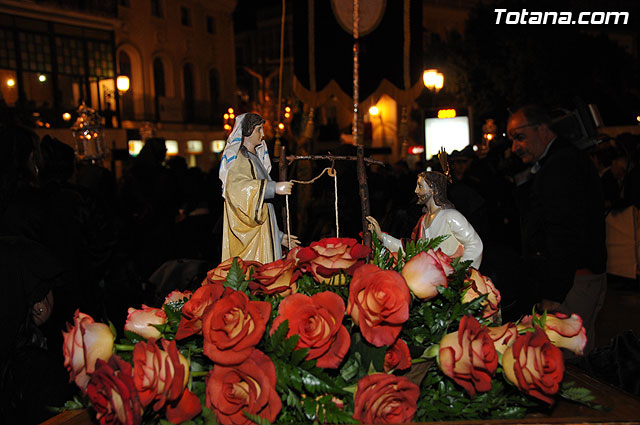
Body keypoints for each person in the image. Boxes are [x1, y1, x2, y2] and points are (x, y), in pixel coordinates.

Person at [507, 105, 607, 353]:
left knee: (565, 362)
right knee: (580, 356)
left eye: (519, 137)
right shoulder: (559, 161)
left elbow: (564, 231)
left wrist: (554, 290)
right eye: (510, 139)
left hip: (573, 281)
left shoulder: (560, 166)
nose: (514, 147)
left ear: (542, 130)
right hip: (577, 277)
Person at [219, 113, 299, 263]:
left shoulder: (254, 158)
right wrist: (273, 188)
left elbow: (264, 212)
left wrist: (278, 236)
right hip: (252, 242)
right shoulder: (241, 159)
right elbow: (237, 188)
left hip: (262, 233)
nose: (262, 134)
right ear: (247, 132)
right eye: (258, 129)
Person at [366, 170, 483, 269]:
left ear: (433, 189)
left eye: (420, 186)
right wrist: (382, 237)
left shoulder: (451, 216)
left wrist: (460, 271)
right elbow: (412, 249)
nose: (416, 191)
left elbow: (475, 244)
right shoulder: (423, 220)